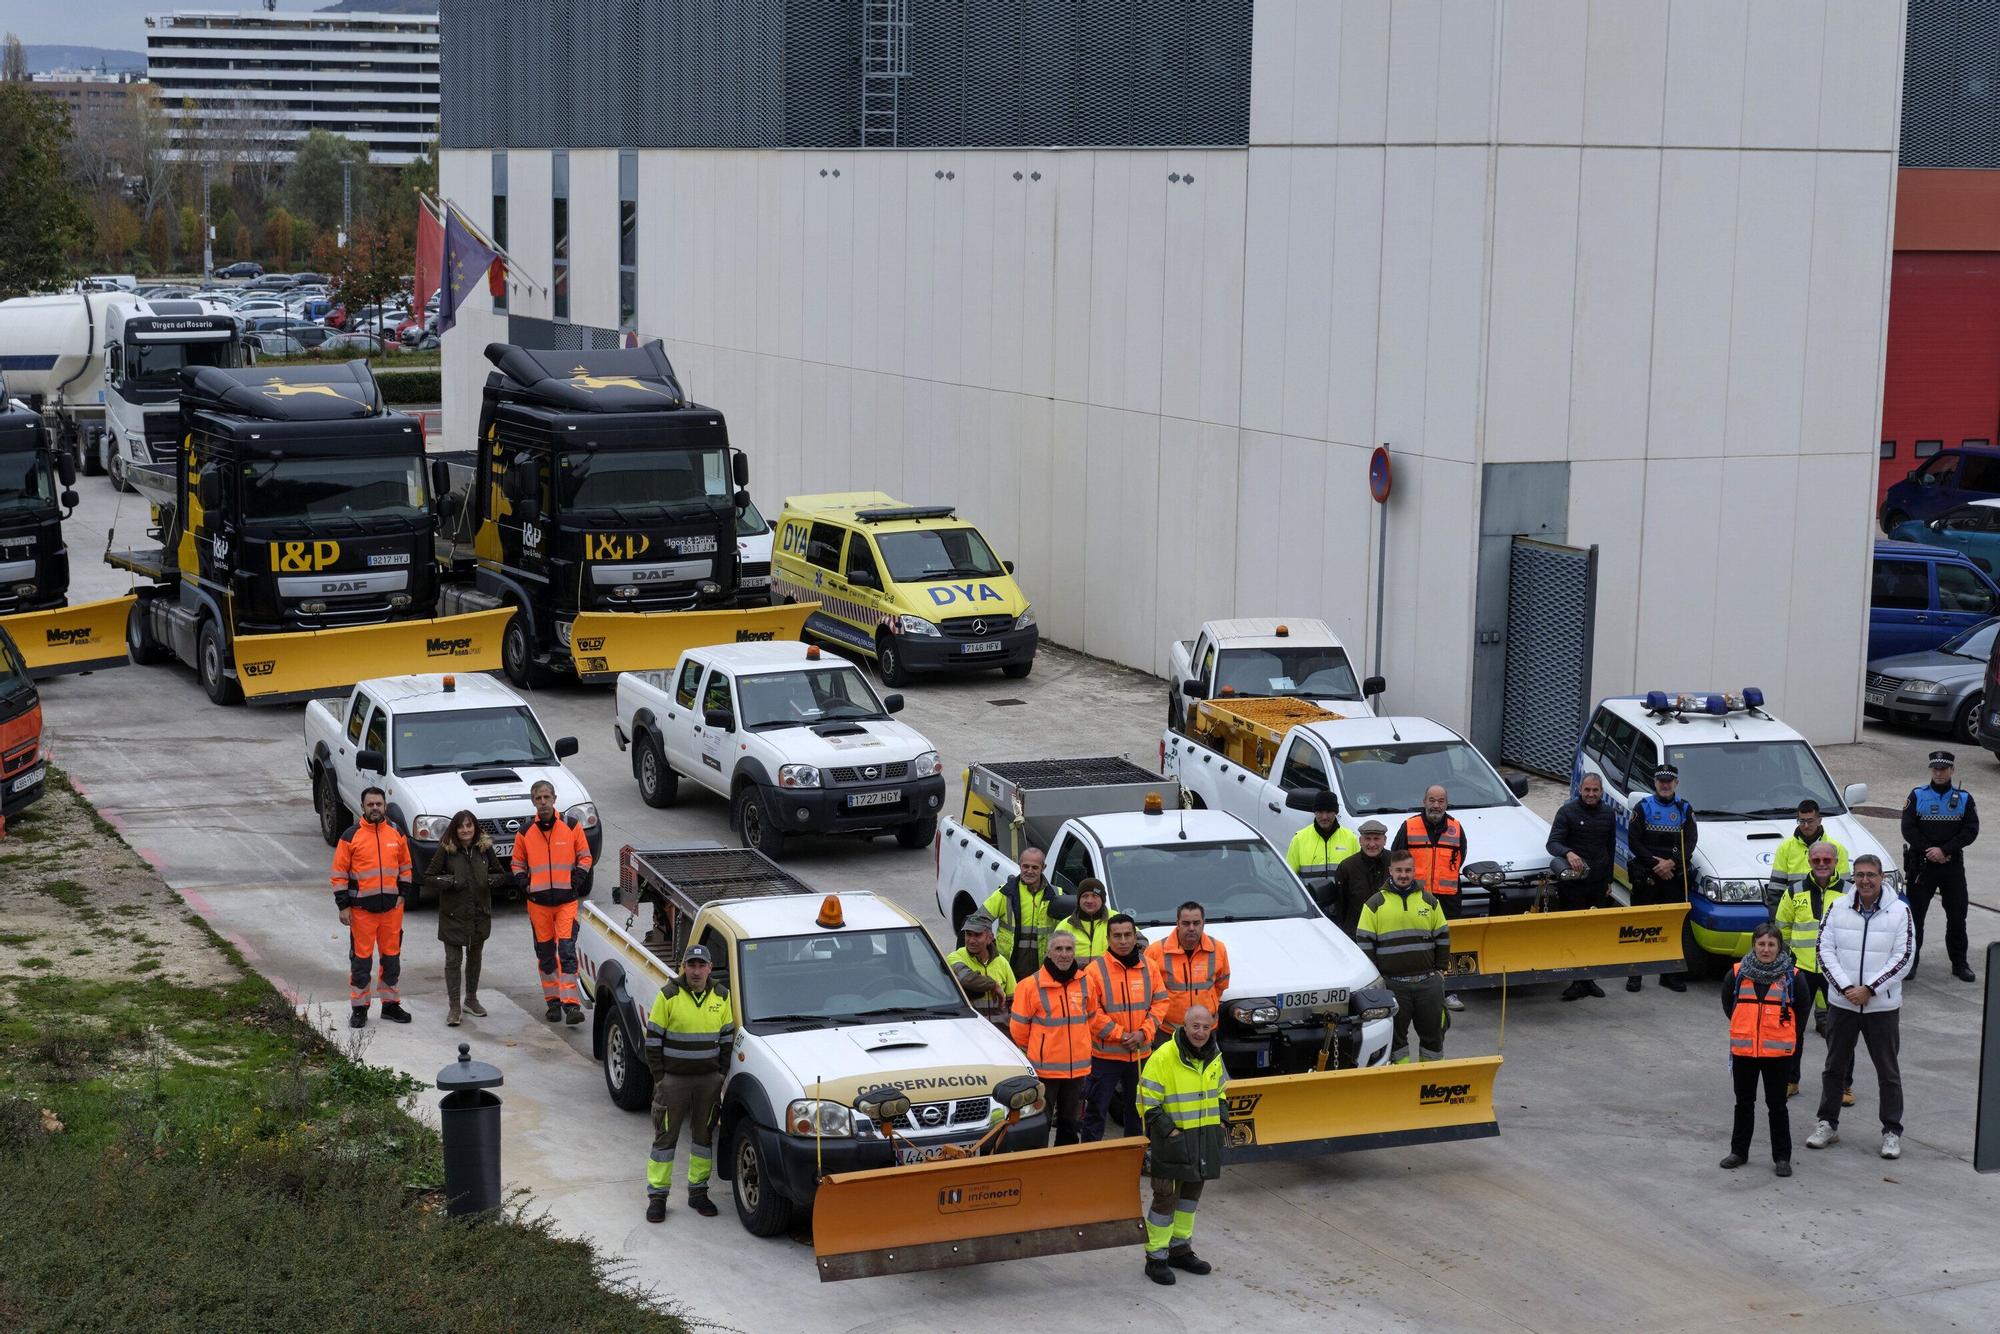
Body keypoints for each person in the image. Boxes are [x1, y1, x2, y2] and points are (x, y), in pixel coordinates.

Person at [1806, 856, 1915, 1161]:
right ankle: (1827, 1123)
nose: (1865, 881)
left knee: (1888, 1071)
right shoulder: (1838, 907)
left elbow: (1904, 956)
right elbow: (1823, 949)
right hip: (1843, 1005)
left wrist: (1870, 989)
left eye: (1871, 875)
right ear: (1852, 878)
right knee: (1834, 1068)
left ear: (1882, 878)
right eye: (1860, 876)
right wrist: (1847, 990)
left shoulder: (1900, 912)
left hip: (1882, 1006)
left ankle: (1891, 1131)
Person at [643, 944, 734, 1222]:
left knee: (703, 1138)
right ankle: (657, 1197)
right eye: (691, 965)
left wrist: (720, 1074)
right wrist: (661, 1078)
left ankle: (698, 1193)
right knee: (665, 1138)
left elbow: (727, 1037)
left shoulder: (722, 995)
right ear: (684, 967)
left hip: (708, 1081)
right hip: (674, 1081)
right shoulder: (668, 995)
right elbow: (653, 1041)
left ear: (709, 968)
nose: (696, 971)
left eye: (701, 965)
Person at [1137, 1002, 1226, 1286]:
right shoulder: (1164, 1056)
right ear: (1184, 1027)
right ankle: (1156, 1258)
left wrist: (1222, 1119)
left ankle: (1180, 1249)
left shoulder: (1214, 1055)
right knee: (1165, 1200)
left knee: (1189, 1201)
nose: (1200, 1032)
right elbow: (1147, 1102)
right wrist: (1170, 1132)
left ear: (1212, 1026)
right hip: (1174, 1144)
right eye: (1194, 1026)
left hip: (1203, 1143)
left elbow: (1222, 1090)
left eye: (1205, 1026)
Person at [1719, 923, 1803, 1176]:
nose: (1766, 950)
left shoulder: (1793, 977)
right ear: (1754, 945)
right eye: (1761, 944)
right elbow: (1728, 1006)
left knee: (1777, 1105)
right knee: (1743, 1103)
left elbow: (1802, 1011)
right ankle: (1739, 1152)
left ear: (1779, 948)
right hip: (1744, 1052)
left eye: (1771, 945)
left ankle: (1782, 1158)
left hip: (1777, 1056)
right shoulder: (1736, 974)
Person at [1353, 849, 1449, 1063]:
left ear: (1414, 871)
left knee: (1434, 1036)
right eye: (1399, 870)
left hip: (1428, 983)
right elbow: (1364, 943)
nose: (1403, 875)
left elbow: (1442, 936)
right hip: (1394, 985)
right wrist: (1379, 978)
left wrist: (1440, 971)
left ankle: (1429, 1078)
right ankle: (1402, 1079)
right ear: (1390, 871)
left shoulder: (1429, 901)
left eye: (1407, 870)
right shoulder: (1374, 904)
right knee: (1396, 1040)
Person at [512, 779, 595, 1025]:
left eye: (547, 797)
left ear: (555, 799)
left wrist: (577, 879)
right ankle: (553, 1004)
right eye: (538, 798)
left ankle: (571, 1006)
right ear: (533, 802)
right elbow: (516, 863)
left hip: (565, 903)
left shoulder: (571, 826)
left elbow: (585, 856)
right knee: (546, 956)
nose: (543, 802)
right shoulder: (525, 832)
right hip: (538, 905)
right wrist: (524, 883)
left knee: (567, 953)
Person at [331, 786, 414, 1028]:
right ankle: (359, 1009)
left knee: (391, 961)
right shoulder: (350, 836)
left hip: (391, 912)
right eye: (370, 805)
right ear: (362, 807)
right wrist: (343, 906)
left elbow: (406, 867)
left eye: (379, 804)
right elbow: (338, 875)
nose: (375, 808)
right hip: (361, 913)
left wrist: (403, 895)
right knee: (361, 963)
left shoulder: (396, 833)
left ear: (385, 806)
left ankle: (390, 1005)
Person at [1082, 912, 1168, 1142]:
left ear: (1134, 936)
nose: (1123, 941)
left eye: (1127, 935)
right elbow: (1091, 1012)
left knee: (1138, 1110)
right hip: (1105, 1056)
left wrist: (1144, 1033)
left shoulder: (1149, 967)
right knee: (1096, 1110)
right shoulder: (1094, 970)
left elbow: (1161, 1002)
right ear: (1108, 938)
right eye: (1117, 936)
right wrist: (1120, 1035)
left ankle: (1136, 1157)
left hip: (1141, 1054)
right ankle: (1090, 1159)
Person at [1901, 750, 1980, 983]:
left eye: (1943, 768)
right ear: (1930, 770)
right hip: (1922, 867)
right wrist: (1931, 851)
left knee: (1957, 916)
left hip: (1951, 866)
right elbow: (1908, 828)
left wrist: (1945, 851)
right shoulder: (1917, 795)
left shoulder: (1964, 798)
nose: (1939, 772)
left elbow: (1971, 830)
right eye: (1935, 768)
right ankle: (1911, 963)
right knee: (1915, 918)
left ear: (1952, 770)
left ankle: (1960, 964)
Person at [1775, 842, 1844, 1099]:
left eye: (1827, 859)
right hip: (1801, 971)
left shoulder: (1849, 893)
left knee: (1840, 1034)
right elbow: (1782, 928)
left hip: (1836, 974)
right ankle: (1791, 1081)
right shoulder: (1794, 892)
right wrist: (1787, 965)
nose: (1822, 864)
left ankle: (1843, 1085)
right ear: (1810, 862)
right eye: (1816, 860)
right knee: (1793, 1030)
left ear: (1836, 861)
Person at [1010, 929, 1092, 1146]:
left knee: (1070, 1122)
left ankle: (1065, 1164)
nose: (1064, 954)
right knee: (1040, 1121)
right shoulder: (1029, 986)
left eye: (1069, 949)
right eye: (1058, 949)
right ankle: (1040, 1163)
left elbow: (1091, 1018)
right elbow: (1019, 1029)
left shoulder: (1085, 982)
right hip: (1045, 1071)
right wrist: (1039, 1049)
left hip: (1076, 1071)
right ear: (1048, 953)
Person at [423, 810, 504, 1027]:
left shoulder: (484, 849)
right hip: (453, 915)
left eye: (469, 825)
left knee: (475, 957)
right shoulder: (446, 850)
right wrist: (448, 881)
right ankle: (454, 1006)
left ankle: (471, 999)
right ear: (454, 829)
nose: (465, 830)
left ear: (475, 827)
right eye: (461, 826)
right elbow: (429, 877)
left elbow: (500, 873)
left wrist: (490, 881)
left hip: (479, 914)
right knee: (453, 961)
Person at [1625, 764, 1696, 993]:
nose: (1665, 785)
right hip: (1647, 875)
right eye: (1661, 781)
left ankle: (1670, 975)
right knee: (1639, 926)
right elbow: (1634, 841)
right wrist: (1656, 864)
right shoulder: (1643, 807)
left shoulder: (1684, 808)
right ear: (1654, 783)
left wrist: (1671, 863)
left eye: (1669, 781)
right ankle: (1635, 974)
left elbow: (1690, 841)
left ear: (1676, 783)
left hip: (1674, 876)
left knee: (1672, 926)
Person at [1395, 785, 1467, 1010]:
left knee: (1446, 945)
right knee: (1417, 943)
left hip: (1448, 898)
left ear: (1447, 803)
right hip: (1417, 897)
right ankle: (1420, 990)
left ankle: (1449, 991)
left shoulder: (1456, 827)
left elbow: (1461, 855)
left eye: (1441, 801)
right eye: (1432, 800)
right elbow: (1397, 858)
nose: (1436, 805)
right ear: (1424, 801)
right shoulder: (1409, 826)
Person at [1548, 773, 1617, 1001]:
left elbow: (1611, 847)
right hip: (1573, 885)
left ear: (1601, 792)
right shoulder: (1567, 812)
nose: (1590, 794)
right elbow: (1552, 843)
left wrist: (1609, 881)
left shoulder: (1608, 814)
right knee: (1575, 931)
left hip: (1598, 883)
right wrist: (1568, 853)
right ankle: (1577, 981)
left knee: (1593, 933)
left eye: (1595, 790)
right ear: (1580, 789)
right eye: (1586, 790)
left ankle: (1588, 980)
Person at [1145, 902, 1231, 1035]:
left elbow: (1221, 985)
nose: (1191, 928)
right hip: (1168, 1030)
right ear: (1177, 924)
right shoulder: (1155, 951)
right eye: (1186, 923)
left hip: (1206, 1030)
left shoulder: (1218, 949)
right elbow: (1148, 993)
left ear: (1203, 923)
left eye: (1196, 923)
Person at [983, 846, 1057, 979]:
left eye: (1035, 867)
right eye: (1025, 866)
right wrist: (988, 943)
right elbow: (979, 919)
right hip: (1010, 968)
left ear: (1043, 868)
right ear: (1019, 866)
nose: (1029, 871)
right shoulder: (1005, 893)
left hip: (1044, 969)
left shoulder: (1056, 895)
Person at [1767, 799, 1848, 909]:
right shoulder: (1785, 847)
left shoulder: (1837, 849)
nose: (1805, 826)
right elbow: (1776, 889)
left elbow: (1846, 889)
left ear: (1819, 821)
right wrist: (1774, 921)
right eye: (1802, 821)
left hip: (1829, 912)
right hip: (1794, 912)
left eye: (1810, 821)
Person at [1286, 789, 1358, 904]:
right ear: (1314, 812)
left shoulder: (1351, 838)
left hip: (1342, 908)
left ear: (1336, 812)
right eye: (1320, 811)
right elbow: (1289, 879)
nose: (1324, 817)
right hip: (1311, 907)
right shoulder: (1299, 839)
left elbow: (1357, 877)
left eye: (1329, 811)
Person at [946, 912, 1017, 1028]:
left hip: (1001, 1034)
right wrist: (993, 985)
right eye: (968, 934)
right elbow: (965, 978)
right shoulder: (954, 957)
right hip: (971, 1031)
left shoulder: (1002, 962)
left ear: (990, 938)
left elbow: (1015, 1002)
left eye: (977, 935)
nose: (971, 940)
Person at [1326, 819, 1392, 938]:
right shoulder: (1347, 867)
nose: (1372, 844)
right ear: (1360, 841)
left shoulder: (1395, 864)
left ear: (1385, 840)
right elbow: (1341, 906)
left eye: (1376, 839)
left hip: (1389, 932)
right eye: (1367, 839)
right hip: (1357, 934)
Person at [1055, 878, 1111, 962]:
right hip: (1076, 975)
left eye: (1094, 896)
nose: (1089, 901)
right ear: (1078, 900)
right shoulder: (1065, 926)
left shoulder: (1118, 921)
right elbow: (1054, 960)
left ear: (1103, 899)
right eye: (1085, 896)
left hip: (1109, 975)